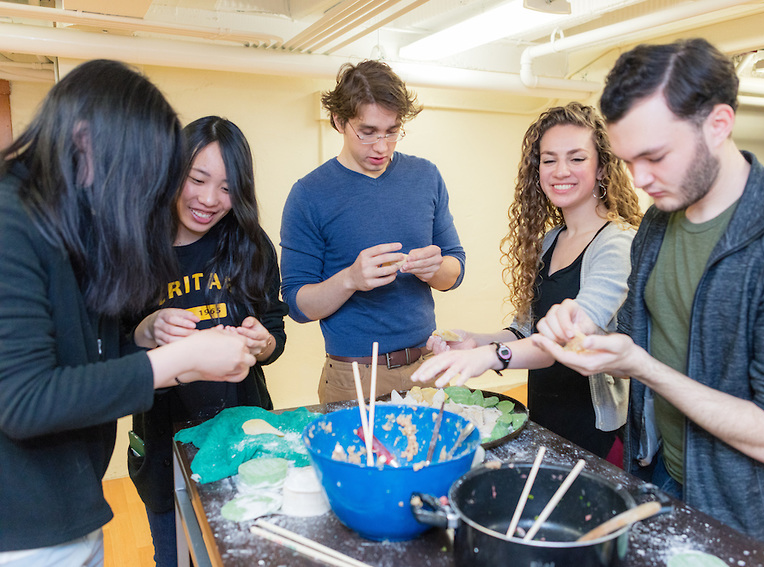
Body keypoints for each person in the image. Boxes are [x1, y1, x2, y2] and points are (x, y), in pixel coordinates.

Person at [531, 38, 764, 561]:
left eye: (655, 156)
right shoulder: (658, 222)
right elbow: (641, 336)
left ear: (718, 124)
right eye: (629, 160)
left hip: (746, 516)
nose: (640, 180)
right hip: (658, 471)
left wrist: (643, 367)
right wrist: (588, 334)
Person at [0, 61, 255, 567]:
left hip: (70, 505)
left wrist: (168, 352)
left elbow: (87, 362)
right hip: (23, 529)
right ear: (85, 142)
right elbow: (25, 399)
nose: (144, 196)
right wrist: (180, 357)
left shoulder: (67, 228)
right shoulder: (13, 224)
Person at [411, 103, 642, 459]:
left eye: (577, 158)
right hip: (545, 418)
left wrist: (491, 357)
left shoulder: (617, 243)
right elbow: (526, 331)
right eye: (549, 160)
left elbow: (565, 341)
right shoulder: (552, 240)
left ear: (602, 168)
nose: (561, 170)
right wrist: (475, 343)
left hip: (595, 432)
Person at [127, 116, 287, 566]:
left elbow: (275, 330)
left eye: (227, 188)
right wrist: (146, 328)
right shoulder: (134, 248)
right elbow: (110, 351)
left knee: (246, 553)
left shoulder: (251, 245)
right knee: (176, 556)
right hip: (164, 444)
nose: (209, 200)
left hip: (242, 433)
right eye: (198, 179)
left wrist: (263, 343)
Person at [280, 60, 465, 403]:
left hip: (427, 365)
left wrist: (435, 269)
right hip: (354, 376)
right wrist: (350, 279)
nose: (381, 146)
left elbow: (455, 270)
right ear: (338, 121)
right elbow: (297, 304)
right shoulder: (308, 194)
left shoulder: (426, 176)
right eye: (367, 132)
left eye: (392, 131)